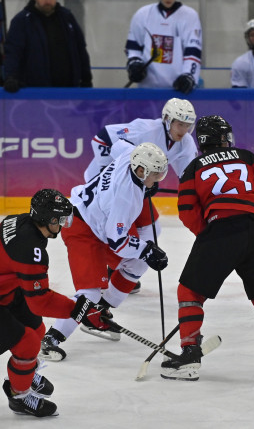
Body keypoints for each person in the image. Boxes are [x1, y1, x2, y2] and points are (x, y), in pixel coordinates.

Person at [161, 115, 254, 381]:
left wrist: (209, 237)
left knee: (189, 291)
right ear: (221, 139)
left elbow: (187, 213)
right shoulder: (244, 157)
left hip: (221, 231)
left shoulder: (192, 169)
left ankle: (190, 353)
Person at [0, 189, 109, 417]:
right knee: (27, 346)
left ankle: (25, 373)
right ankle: (19, 396)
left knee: (36, 328)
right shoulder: (30, 249)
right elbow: (40, 301)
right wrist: (78, 309)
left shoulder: (22, 220)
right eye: (60, 220)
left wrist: (80, 309)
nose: (63, 225)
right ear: (48, 220)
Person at [40, 142, 170, 361]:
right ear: (141, 170)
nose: (157, 180)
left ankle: (97, 311)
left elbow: (118, 144)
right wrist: (146, 249)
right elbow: (118, 242)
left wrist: (144, 254)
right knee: (89, 292)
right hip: (81, 229)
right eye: (155, 175)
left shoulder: (131, 155)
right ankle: (52, 338)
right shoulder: (126, 197)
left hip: (97, 223)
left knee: (138, 263)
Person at [83, 98, 198, 294]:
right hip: (107, 190)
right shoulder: (145, 129)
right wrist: (105, 175)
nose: (184, 130)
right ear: (168, 119)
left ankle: (121, 269)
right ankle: (115, 268)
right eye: (180, 124)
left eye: (188, 125)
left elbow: (188, 175)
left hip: (136, 187)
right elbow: (102, 138)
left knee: (152, 229)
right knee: (113, 231)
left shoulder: (185, 143)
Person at [3, 0, 92, 92]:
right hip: (35, 92)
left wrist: (86, 79)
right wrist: (10, 77)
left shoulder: (67, 18)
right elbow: (13, 51)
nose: (48, 1)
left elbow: (81, 49)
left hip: (69, 90)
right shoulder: (22, 21)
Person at [125, 0, 202, 94]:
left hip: (176, 89)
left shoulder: (190, 16)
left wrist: (189, 76)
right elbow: (133, 47)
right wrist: (134, 64)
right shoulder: (142, 14)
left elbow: (193, 52)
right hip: (147, 89)